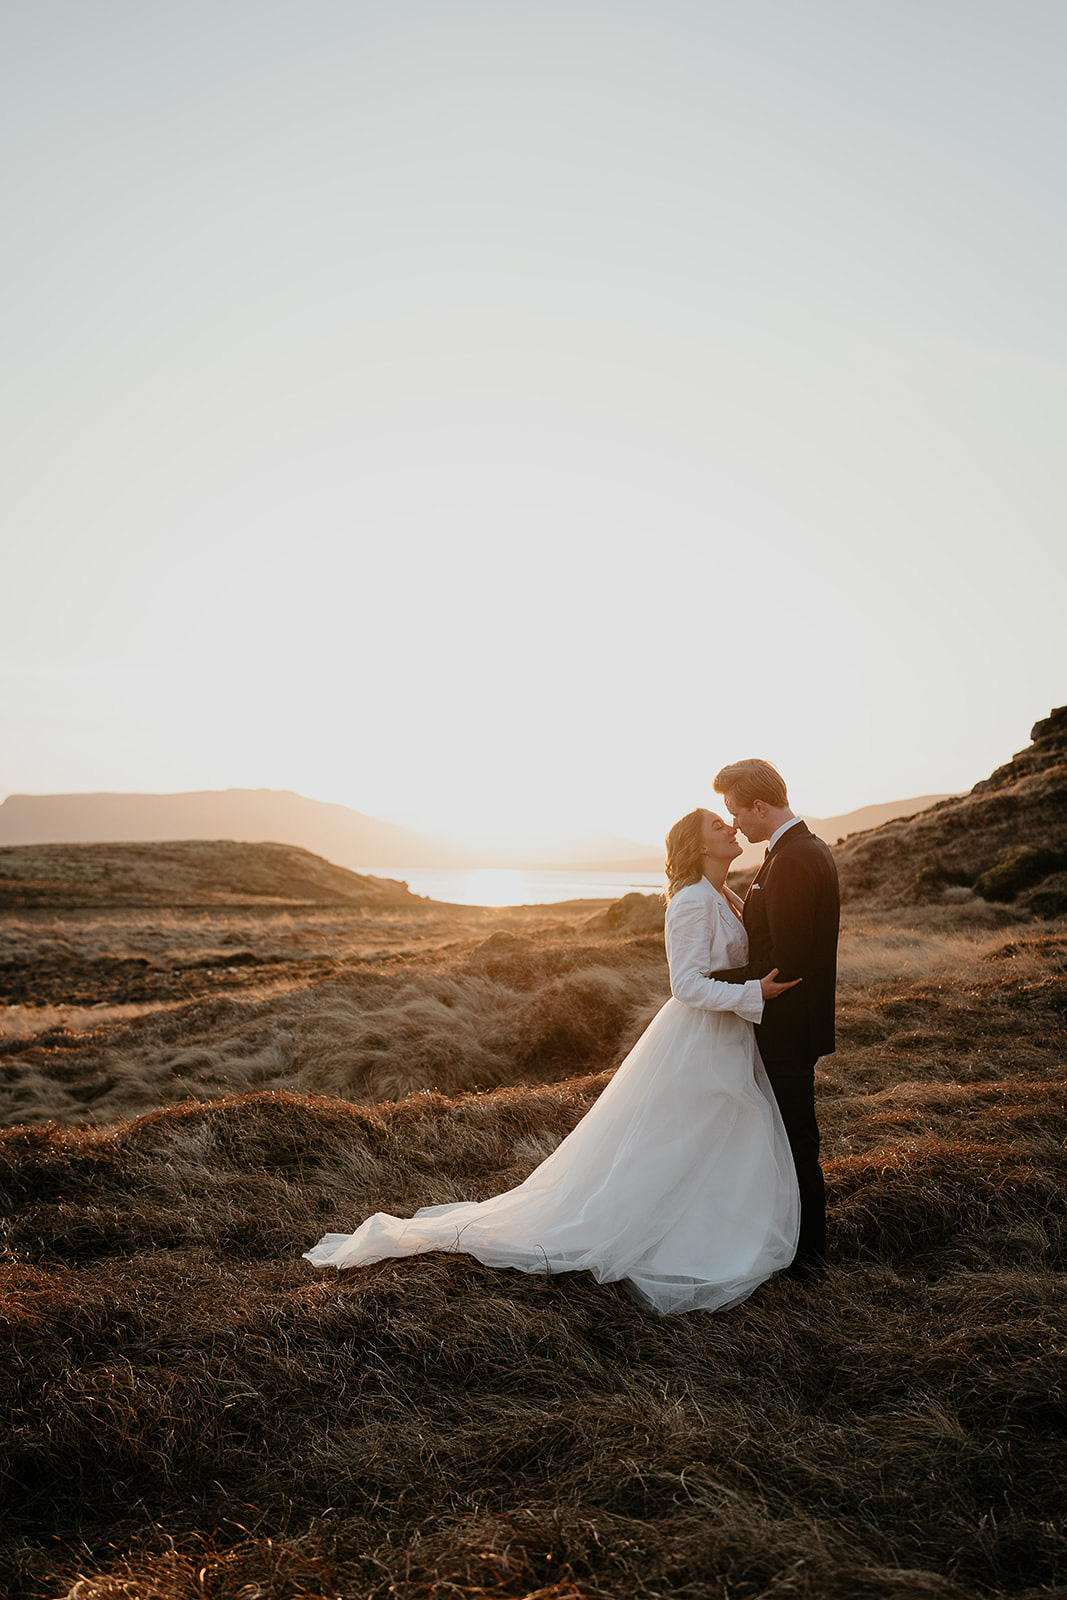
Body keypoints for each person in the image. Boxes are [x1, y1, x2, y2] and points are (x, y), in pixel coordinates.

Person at [303, 808, 801, 1315]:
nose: (731, 828)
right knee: (686, 1134)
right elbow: (686, 985)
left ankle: (709, 1227)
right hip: (700, 1037)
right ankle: (660, 1234)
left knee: (715, 1131)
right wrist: (753, 991)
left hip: (725, 1034)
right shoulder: (691, 902)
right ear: (697, 848)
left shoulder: (720, 894)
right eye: (718, 826)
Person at [712, 760, 840, 1278]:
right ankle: (798, 1244)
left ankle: (807, 1258)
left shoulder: (792, 859)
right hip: (792, 1024)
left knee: (794, 1139)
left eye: (736, 812)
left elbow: (786, 962)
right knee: (788, 1135)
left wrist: (710, 983)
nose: (735, 824)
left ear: (759, 806)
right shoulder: (800, 849)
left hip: (786, 1027)